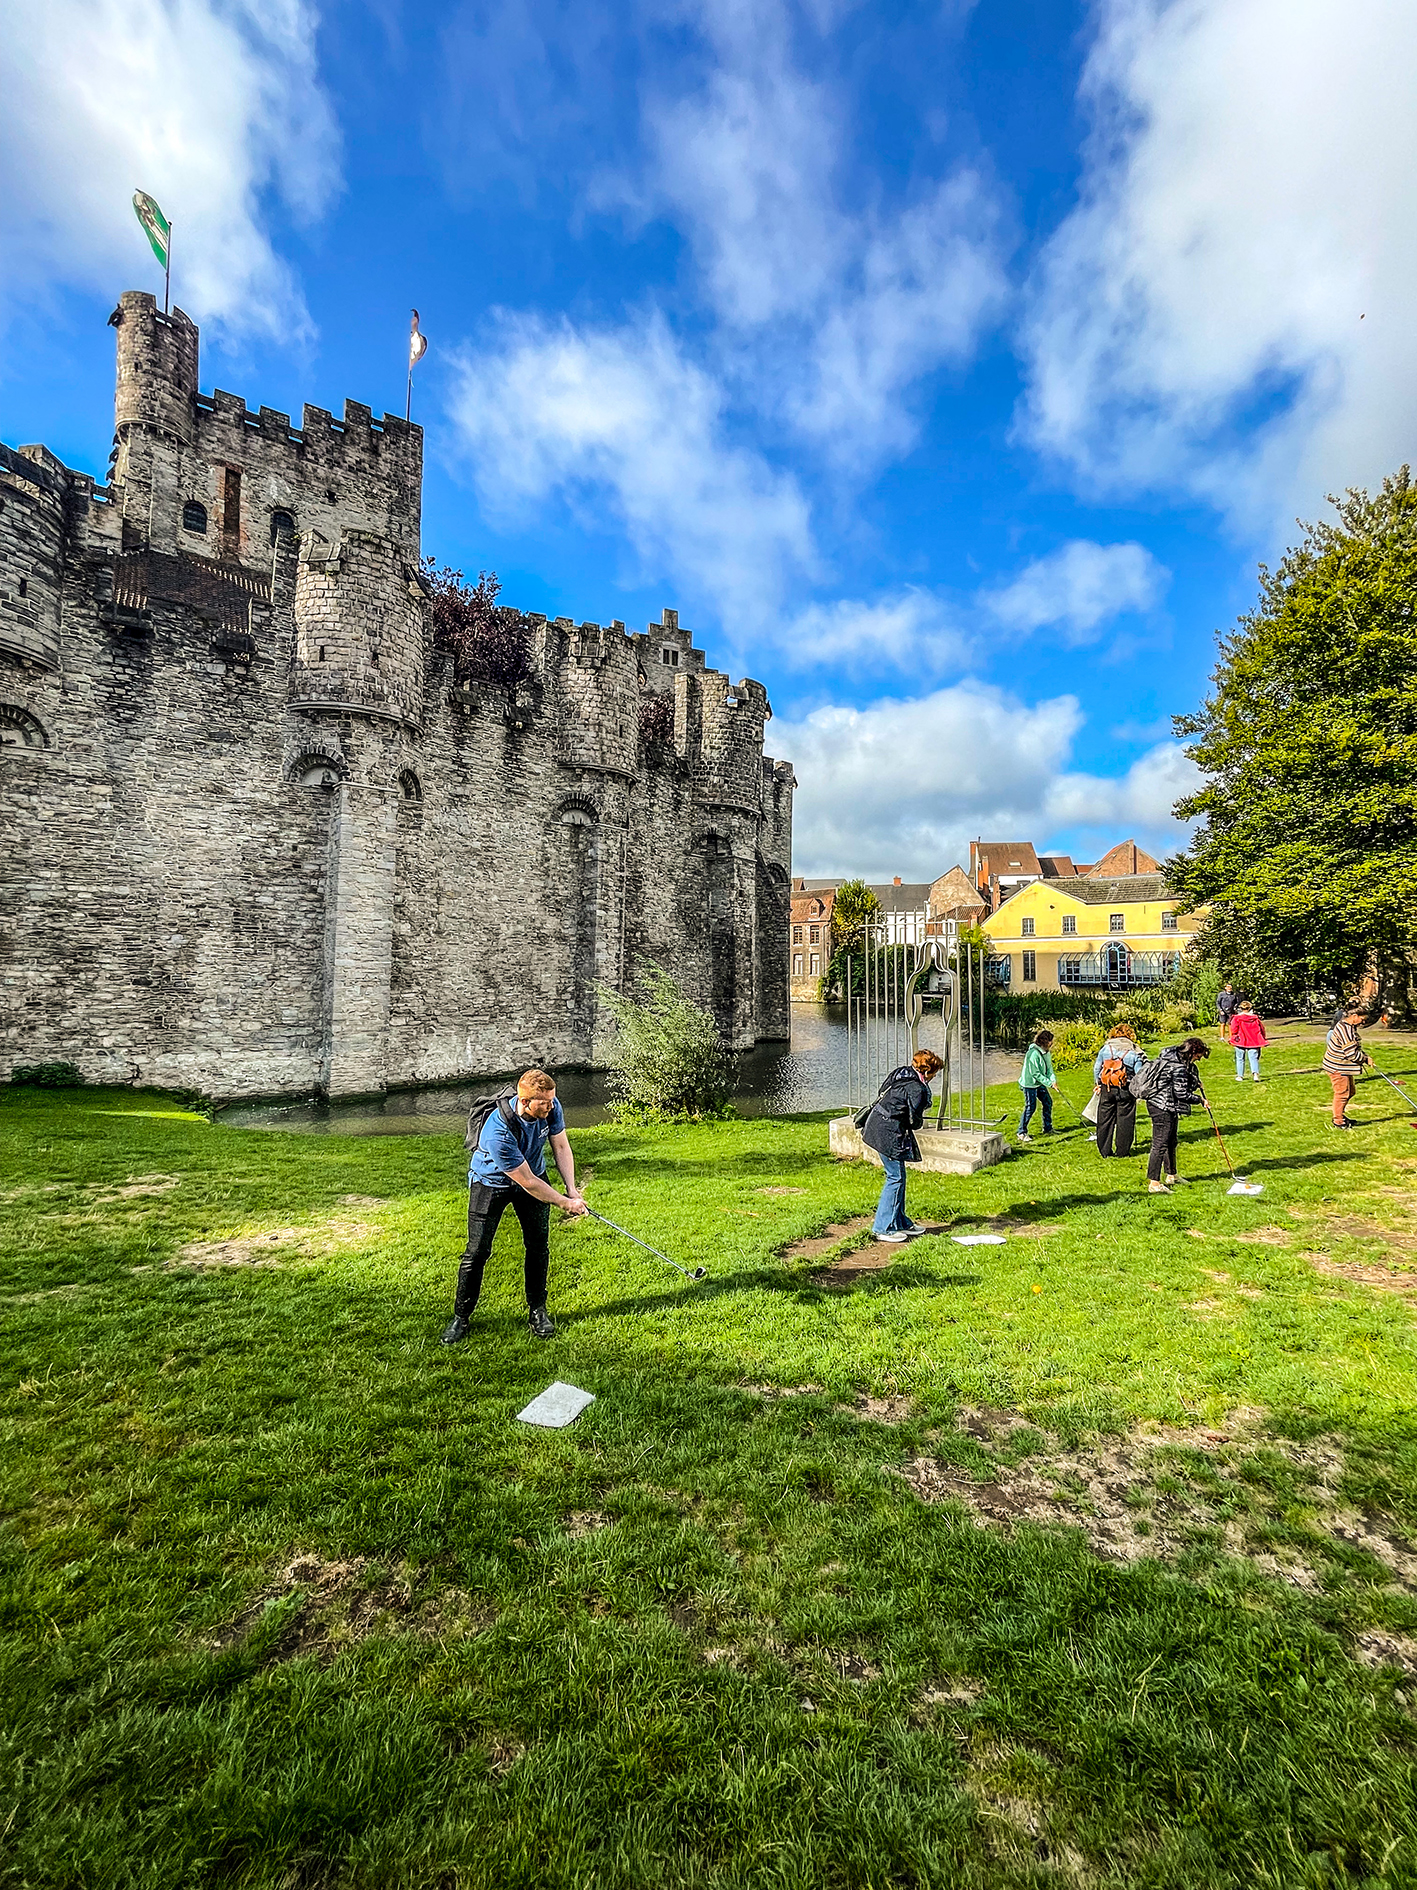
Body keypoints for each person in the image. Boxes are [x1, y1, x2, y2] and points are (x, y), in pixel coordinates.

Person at [441, 1069, 587, 1345]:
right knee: (478, 1251)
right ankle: (461, 1316)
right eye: (544, 1102)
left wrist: (572, 1189)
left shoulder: (551, 1106)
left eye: (552, 1099)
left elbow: (561, 1147)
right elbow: (529, 1182)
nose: (551, 1106)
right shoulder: (496, 1130)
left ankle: (537, 1311)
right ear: (524, 1101)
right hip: (491, 1182)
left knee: (537, 1246)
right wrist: (564, 1203)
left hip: (532, 1174)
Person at [861, 1049, 945, 1243]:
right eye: (935, 1073)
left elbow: (884, 1092)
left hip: (877, 1124)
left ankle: (900, 1221)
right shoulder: (918, 1088)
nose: (934, 1077)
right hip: (887, 1131)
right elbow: (915, 1120)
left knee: (899, 1176)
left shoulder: (901, 1073)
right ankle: (883, 1227)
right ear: (928, 1071)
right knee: (895, 1177)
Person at [1141, 1036, 1210, 1193]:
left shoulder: (1169, 1056)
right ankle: (1154, 1183)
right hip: (1162, 1106)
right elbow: (1181, 1093)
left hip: (1160, 1104)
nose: (1198, 1060)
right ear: (1192, 1052)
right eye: (1198, 1056)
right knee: (1159, 1144)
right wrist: (1200, 1100)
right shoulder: (1178, 1067)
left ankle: (1172, 1175)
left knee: (1171, 1141)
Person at [1092, 1022, 1145, 1157]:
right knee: (1125, 1119)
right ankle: (1122, 1151)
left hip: (1107, 1087)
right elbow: (1139, 1074)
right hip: (1126, 1088)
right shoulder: (1133, 1051)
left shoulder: (1105, 1049)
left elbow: (1097, 1068)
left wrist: (1098, 1083)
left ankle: (1104, 1150)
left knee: (1104, 1119)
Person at [1323, 1004, 1372, 1129]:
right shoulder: (1345, 1030)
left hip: (1341, 1066)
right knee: (1342, 1093)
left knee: (1351, 1091)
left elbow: (1354, 1048)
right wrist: (1364, 1059)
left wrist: (1365, 1056)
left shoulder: (1347, 1026)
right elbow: (1351, 1054)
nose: (1363, 1022)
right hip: (1337, 1067)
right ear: (1354, 1016)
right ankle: (1338, 1121)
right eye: (1362, 1019)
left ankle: (1340, 1115)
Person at [1016, 1031, 1058, 1144]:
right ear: (1045, 1042)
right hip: (1029, 1084)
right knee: (1031, 1107)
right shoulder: (1033, 1054)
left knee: (1048, 1102)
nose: (1052, 1043)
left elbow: (1049, 1069)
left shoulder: (1046, 1052)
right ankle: (1021, 1132)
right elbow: (1036, 1074)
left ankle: (1048, 1128)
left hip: (1039, 1083)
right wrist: (1049, 1083)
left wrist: (1053, 1080)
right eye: (1050, 1041)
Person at [1228, 1001, 1267, 1082]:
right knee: (1253, 1058)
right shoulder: (1255, 1018)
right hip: (1253, 1040)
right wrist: (1262, 1037)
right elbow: (1261, 1029)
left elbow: (1233, 1029)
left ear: (1240, 1008)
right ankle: (1255, 1074)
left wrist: (1232, 1037)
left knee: (1240, 1058)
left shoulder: (1236, 1018)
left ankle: (1240, 1076)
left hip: (1240, 1040)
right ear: (1250, 1008)